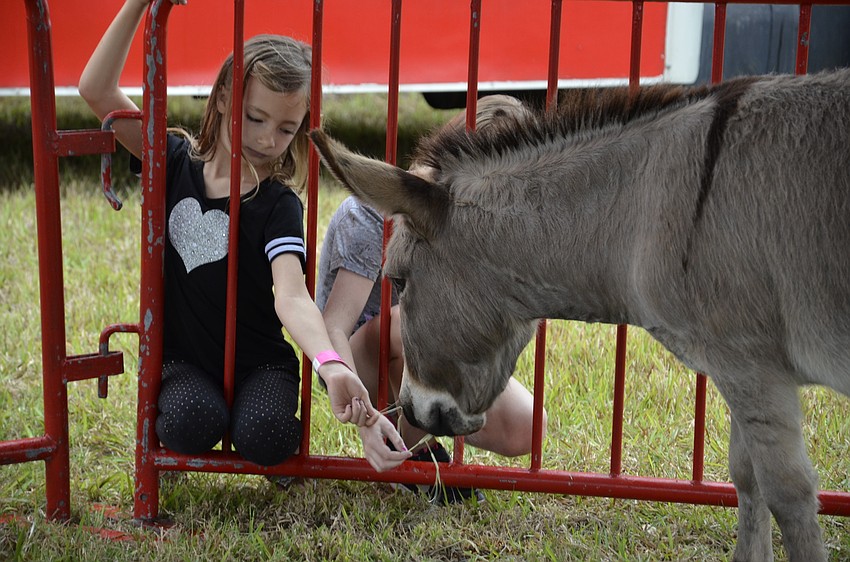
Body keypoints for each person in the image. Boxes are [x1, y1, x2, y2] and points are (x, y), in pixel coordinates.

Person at [79, 0, 410, 472]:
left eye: (286, 128)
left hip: (262, 364)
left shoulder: (279, 205)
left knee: (268, 436)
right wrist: (141, 6)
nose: (267, 138)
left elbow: (292, 296)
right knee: (190, 423)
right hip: (184, 360)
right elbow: (96, 89)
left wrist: (330, 364)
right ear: (220, 98)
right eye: (254, 117)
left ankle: (252, 420)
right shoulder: (170, 160)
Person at [317, 95, 548, 503]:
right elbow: (334, 324)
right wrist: (364, 416)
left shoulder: (473, 229)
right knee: (416, 324)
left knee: (529, 426)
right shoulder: (371, 214)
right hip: (357, 359)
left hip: (430, 358)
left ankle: (417, 439)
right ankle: (409, 457)